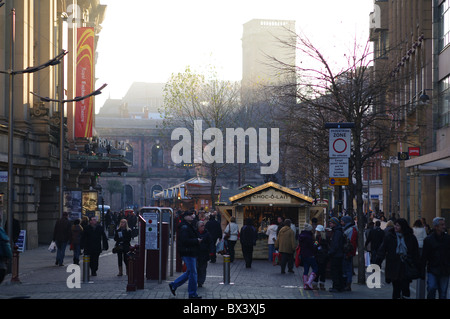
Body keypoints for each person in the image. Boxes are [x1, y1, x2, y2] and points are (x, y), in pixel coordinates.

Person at [376, 218, 420, 299]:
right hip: (393, 266)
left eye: (398, 226)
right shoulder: (389, 236)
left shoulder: (411, 237)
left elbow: (415, 253)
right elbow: (382, 249)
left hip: (406, 266)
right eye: (395, 225)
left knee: (405, 288)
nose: (395, 227)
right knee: (396, 288)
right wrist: (378, 262)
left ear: (403, 227)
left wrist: (417, 266)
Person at [169, 210, 202, 299]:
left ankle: (174, 285)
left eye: (192, 215)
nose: (192, 216)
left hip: (190, 252)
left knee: (189, 272)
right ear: (185, 217)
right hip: (188, 252)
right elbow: (184, 241)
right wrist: (196, 241)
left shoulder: (189, 226)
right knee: (193, 273)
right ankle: (192, 294)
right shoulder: (184, 227)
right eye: (190, 215)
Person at [421, 217, 450, 299]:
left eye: (444, 224)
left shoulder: (447, 239)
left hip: (445, 269)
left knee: (443, 293)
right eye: (442, 225)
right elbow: (424, 256)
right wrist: (421, 270)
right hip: (433, 269)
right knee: (431, 288)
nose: (444, 226)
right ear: (436, 227)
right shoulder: (429, 240)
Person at [298, 223, 318, 289]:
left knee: (306, 269)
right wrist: (316, 242)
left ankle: (305, 284)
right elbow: (313, 247)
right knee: (315, 268)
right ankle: (309, 282)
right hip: (310, 255)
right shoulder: (309, 237)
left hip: (303, 255)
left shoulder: (301, 236)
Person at [328, 217, 345, 292]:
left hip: (336, 255)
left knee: (335, 271)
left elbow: (336, 244)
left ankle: (336, 286)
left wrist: (330, 252)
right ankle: (339, 286)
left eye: (331, 223)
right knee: (338, 271)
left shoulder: (337, 232)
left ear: (335, 223)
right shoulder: (338, 231)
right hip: (338, 254)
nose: (329, 224)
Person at [341, 216, 358, 291]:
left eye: (342, 221)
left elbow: (351, 243)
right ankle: (346, 283)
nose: (341, 223)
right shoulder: (349, 229)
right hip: (347, 252)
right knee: (347, 268)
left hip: (347, 252)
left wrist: (349, 253)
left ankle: (347, 284)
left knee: (347, 269)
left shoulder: (351, 230)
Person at [196, 220, 214, 287]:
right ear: (198, 227)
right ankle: (197, 280)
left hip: (204, 254)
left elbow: (211, 243)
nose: (203, 227)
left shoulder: (207, 234)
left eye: (203, 225)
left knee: (203, 268)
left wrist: (211, 251)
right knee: (197, 268)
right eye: (201, 226)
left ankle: (201, 281)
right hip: (197, 254)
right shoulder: (195, 233)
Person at [313, 225, 329, 290]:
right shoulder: (325, 238)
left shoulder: (318, 238)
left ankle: (316, 284)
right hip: (323, 257)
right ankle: (321, 284)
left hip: (320, 257)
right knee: (322, 271)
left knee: (319, 271)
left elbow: (315, 246)